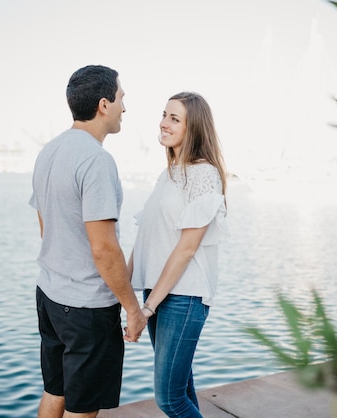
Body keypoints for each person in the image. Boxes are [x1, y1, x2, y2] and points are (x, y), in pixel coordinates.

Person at [29, 65, 146, 418]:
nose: (125, 107)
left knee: (55, 390)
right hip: (86, 309)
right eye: (121, 98)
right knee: (83, 408)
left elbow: (44, 225)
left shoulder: (49, 150)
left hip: (50, 295)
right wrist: (132, 308)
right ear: (103, 104)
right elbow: (104, 248)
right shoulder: (96, 161)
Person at [129, 92, 228, 417]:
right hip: (159, 294)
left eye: (174, 118)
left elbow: (186, 249)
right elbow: (147, 240)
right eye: (164, 115)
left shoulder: (204, 174)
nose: (163, 123)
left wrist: (147, 307)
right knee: (181, 388)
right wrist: (122, 295)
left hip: (182, 297)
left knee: (170, 398)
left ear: (194, 128)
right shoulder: (168, 175)